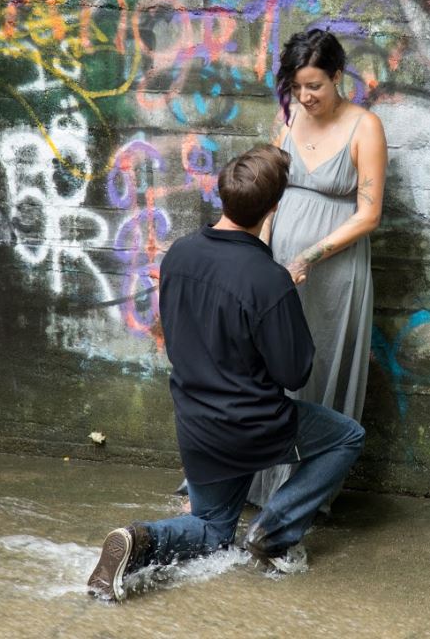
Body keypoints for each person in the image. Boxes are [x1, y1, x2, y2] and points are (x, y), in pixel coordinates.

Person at [87, 145, 366, 602]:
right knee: (347, 436)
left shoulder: (178, 255)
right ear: (275, 206)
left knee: (212, 530)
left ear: (222, 197)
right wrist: (284, 300)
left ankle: (138, 540)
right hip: (254, 426)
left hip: (196, 424)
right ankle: (272, 534)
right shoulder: (269, 280)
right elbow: (293, 372)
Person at [247, 28, 387, 508]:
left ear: (337, 77)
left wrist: (305, 258)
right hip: (279, 266)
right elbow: (269, 195)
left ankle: (298, 495)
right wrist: (260, 258)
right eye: (297, 86)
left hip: (334, 272)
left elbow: (368, 214)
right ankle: (257, 481)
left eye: (315, 87)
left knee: (317, 367)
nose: (305, 97)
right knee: (271, 366)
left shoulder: (364, 126)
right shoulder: (286, 117)